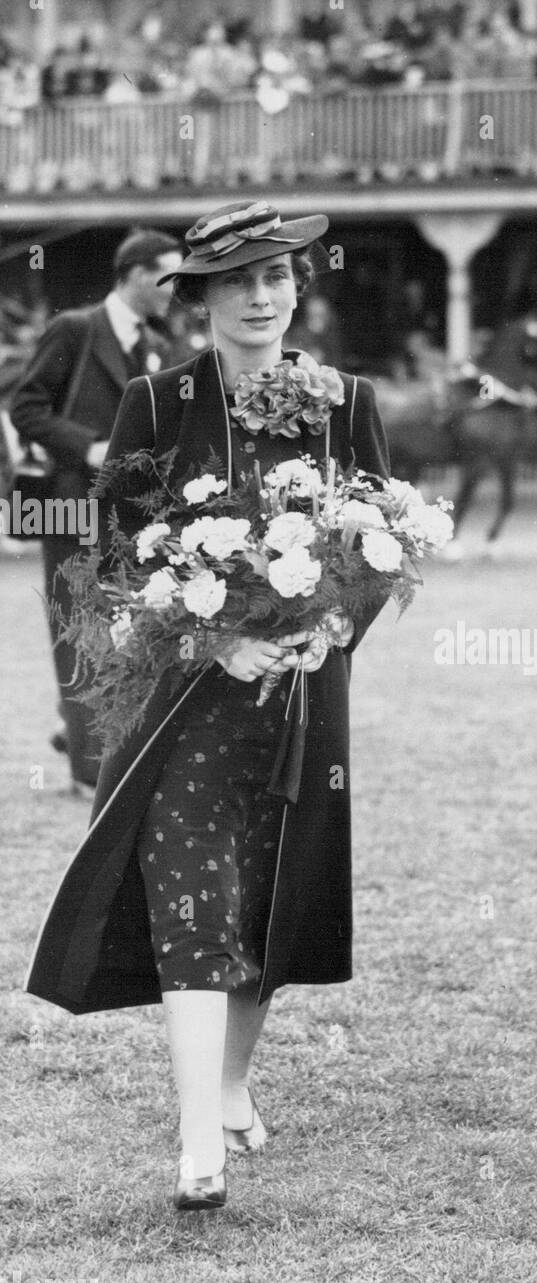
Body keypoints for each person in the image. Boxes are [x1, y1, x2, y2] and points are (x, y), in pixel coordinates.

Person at [24, 201, 391, 1212]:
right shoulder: (155, 402)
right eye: (238, 281)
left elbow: (382, 541)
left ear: (299, 288)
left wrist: (336, 626)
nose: (262, 296)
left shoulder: (342, 399)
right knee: (194, 900)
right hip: (186, 701)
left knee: (272, 898)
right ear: (202, 297)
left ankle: (230, 1085)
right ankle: (197, 1141)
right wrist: (210, 633)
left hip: (307, 700)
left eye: (279, 277)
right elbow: (112, 558)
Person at [10, 228, 182, 794]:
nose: (172, 290)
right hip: (70, 508)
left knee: (130, 628)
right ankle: (89, 771)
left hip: (132, 517)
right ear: (134, 273)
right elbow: (26, 407)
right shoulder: (76, 328)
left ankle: (80, 730)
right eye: (165, 276)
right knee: (79, 629)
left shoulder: (158, 342)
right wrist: (86, 445)